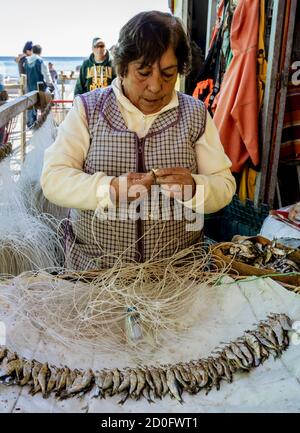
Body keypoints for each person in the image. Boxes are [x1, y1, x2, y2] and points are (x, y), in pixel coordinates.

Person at [41, 11, 236, 271]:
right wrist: (109, 189)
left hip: (177, 274)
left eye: (168, 74)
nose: (156, 86)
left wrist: (194, 188)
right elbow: (53, 179)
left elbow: (224, 185)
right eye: (143, 73)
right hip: (95, 272)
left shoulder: (195, 114)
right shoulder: (88, 109)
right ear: (122, 67)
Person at [24, 44, 54, 127]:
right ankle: (44, 123)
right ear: (41, 52)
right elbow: (47, 76)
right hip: (40, 89)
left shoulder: (26, 61)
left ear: (32, 51)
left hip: (30, 89)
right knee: (45, 105)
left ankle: (31, 124)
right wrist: (51, 85)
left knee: (31, 107)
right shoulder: (41, 61)